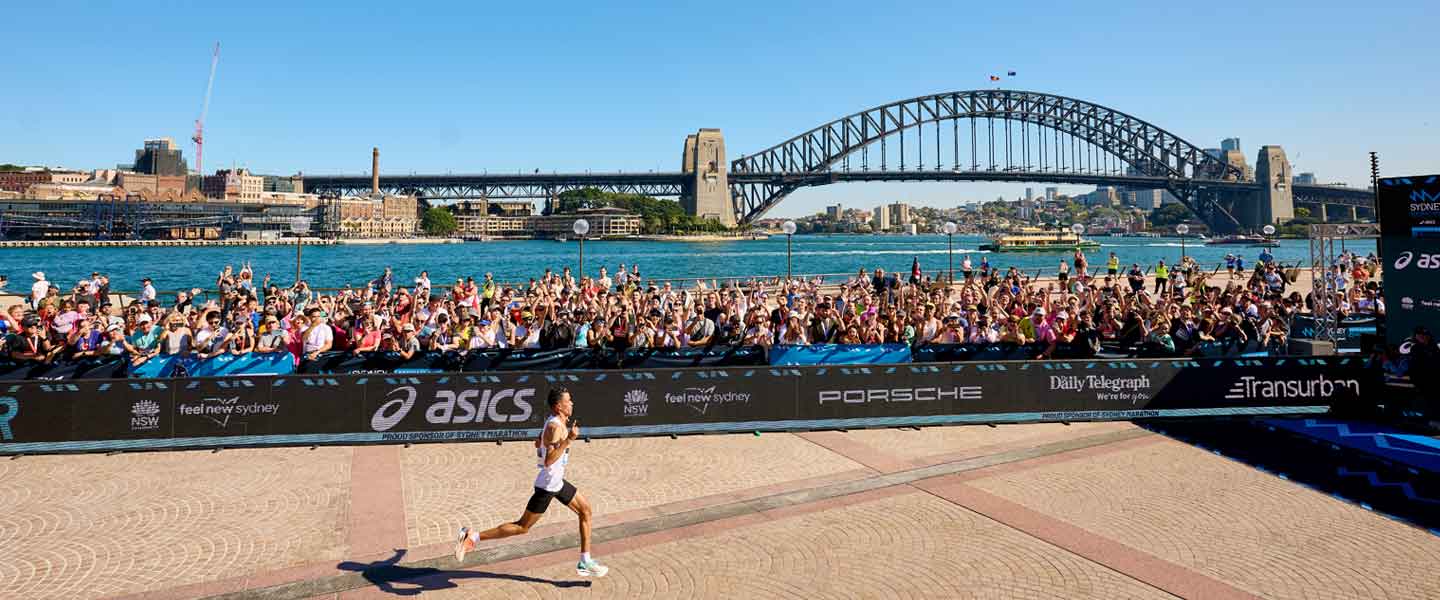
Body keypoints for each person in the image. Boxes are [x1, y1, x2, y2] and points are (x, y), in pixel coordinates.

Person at [453, 388, 609, 578]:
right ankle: (472, 536)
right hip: (548, 485)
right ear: (559, 406)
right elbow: (549, 460)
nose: (572, 403)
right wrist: (569, 440)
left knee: (585, 511)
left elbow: (540, 443)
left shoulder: (556, 422)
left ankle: (585, 561)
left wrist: (543, 443)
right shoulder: (555, 427)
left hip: (557, 482)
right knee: (522, 527)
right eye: (569, 400)